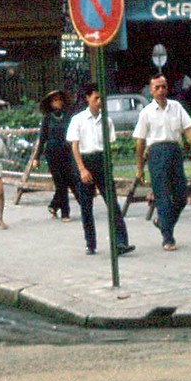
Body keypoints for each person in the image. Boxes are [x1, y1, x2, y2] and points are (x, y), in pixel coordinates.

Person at [133, 74, 191, 251]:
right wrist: (140, 168)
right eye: (157, 87)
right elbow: (140, 142)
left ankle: (163, 222)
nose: (160, 91)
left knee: (181, 196)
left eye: (163, 87)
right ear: (150, 90)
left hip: (174, 150)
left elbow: (187, 129)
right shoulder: (146, 113)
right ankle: (168, 237)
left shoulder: (176, 107)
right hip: (156, 153)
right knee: (163, 196)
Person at [66, 84, 135, 257]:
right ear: (87, 98)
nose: (99, 102)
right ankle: (90, 243)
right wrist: (82, 169)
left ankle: (120, 242)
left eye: (101, 98)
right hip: (84, 160)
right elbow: (74, 146)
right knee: (86, 206)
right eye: (96, 98)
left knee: (112, 203)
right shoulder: (78, 119)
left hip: (101, 160)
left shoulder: (107, 120)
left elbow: (109, 145)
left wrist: (107, 166)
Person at [31, 90, 77, 222]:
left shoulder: (68, 117)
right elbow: (42, 138)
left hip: (66, 153)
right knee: (60, 183)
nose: (58, 102)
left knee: (70, 179)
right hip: (52, 154)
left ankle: (53, 205)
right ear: (50, 103)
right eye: (55, 100)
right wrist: (36, 158)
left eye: (59, 100)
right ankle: (65, 213)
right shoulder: (47, 118)